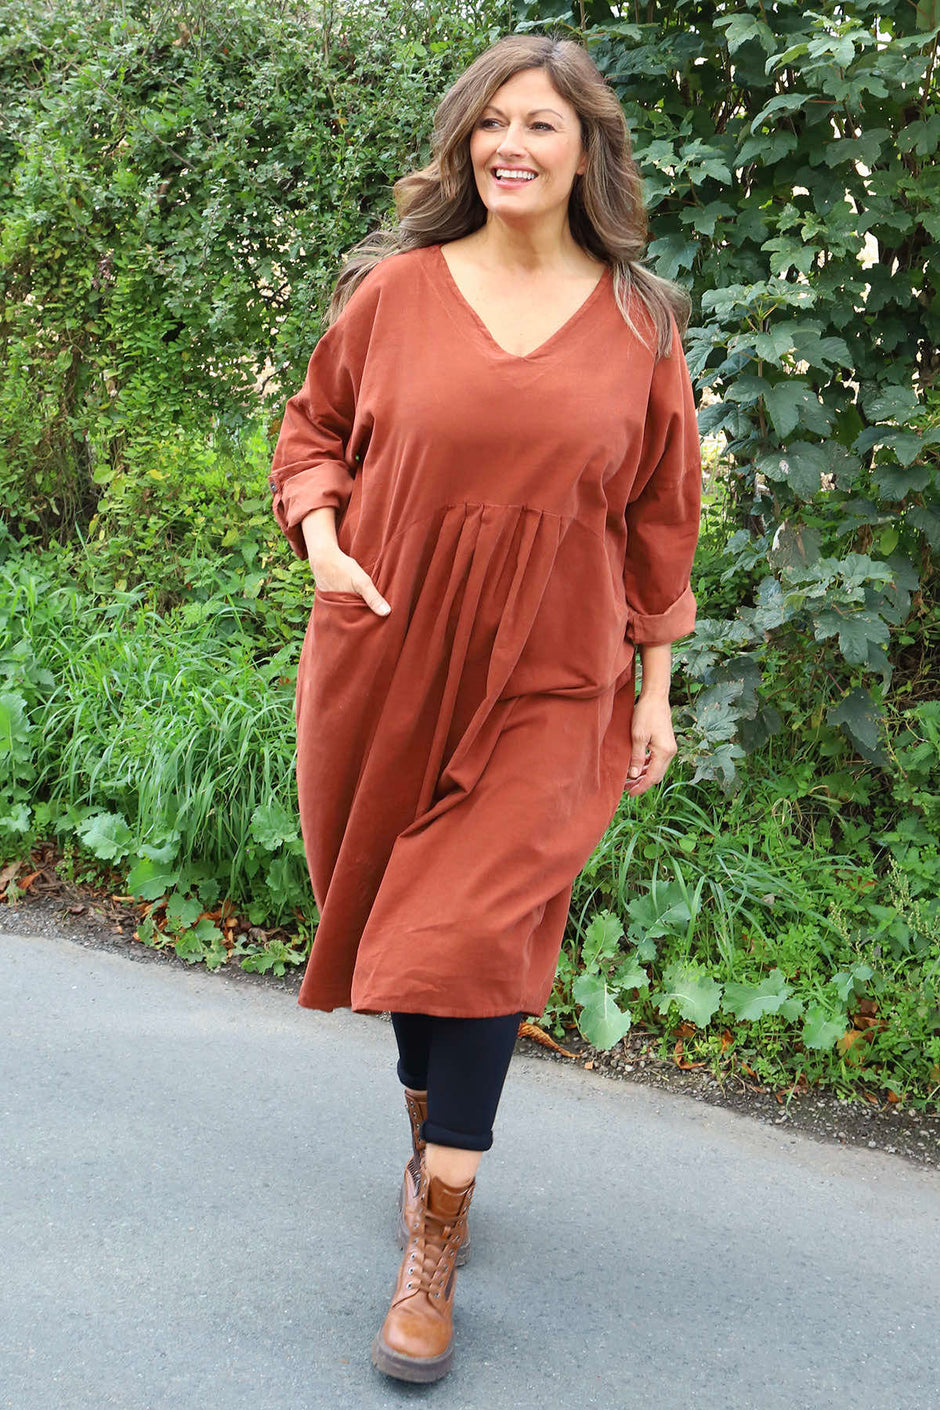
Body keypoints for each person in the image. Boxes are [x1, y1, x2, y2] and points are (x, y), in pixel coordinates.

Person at [268, 32, 701, 1385]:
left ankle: (437, 1234)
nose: (513, 143)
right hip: (387, 655)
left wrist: (656, 687)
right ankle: (430, 1139)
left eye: (543, 123)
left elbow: (660, 520)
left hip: (555, 675)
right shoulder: (396, 292)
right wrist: (324, 545)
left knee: (475, 929)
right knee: (401, 919)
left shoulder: (641, 323)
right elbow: (312, 432)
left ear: (587, 151)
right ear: (468, 143)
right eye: (493, 121)